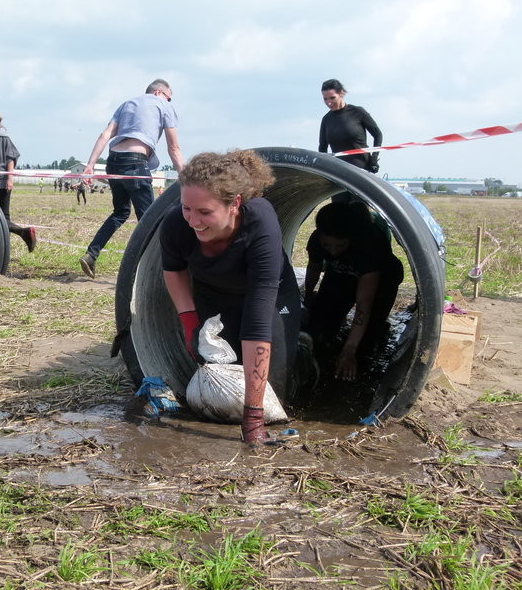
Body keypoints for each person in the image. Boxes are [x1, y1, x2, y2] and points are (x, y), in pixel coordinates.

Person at [159, 150, 302, 445]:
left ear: (234, 204)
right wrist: (189, 323)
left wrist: (253, 419)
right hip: (214, 293)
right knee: (221, 371)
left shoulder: (260, 223)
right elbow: (173, 271)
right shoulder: (176, 223)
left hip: (269, 296)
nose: (193, 220)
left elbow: (258, 323)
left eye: (205, 212)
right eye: (187, 207)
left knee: (273, 390)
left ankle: (306, 355)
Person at [79, 79, 184, 278]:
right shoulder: (163, 106)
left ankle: (91, 254)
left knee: (120, 212)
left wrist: (90, 164)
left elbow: (105, 134)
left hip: (113, 162)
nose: (170, 101)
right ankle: (148, 272)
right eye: (169, 98)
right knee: (149, 219)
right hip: (135, 163)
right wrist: (186, 177)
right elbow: (174, 148)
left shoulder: (127, 104)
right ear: (159, 93)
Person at [303, 202, 404, 382]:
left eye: (340, 246)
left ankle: (361, 363)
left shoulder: (369, 246)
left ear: (351, 238)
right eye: (328, 246)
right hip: (341, 273)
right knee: (320, 320)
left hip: (383, 280)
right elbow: (314, 269)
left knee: (367, 336)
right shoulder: (317, 240)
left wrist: (349, 349)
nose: (333, 251)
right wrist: (309, 295)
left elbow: (364, 304)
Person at [0, 107, 37, 252]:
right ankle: (20, 234)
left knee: (3, 216)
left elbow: (10, 158)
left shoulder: (3, 138)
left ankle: (5, 248)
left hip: (1, 181)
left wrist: (10, 178)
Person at [318, 79, 383, 203]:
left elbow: (378, 135)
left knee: (359, 213)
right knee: (339, 212)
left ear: (341, 94)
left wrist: (374, 159)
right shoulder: (326, 119)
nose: (329, 103)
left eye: (332, 98)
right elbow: (322, 148)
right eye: (325, 99)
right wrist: (324, 171)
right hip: (338, 173)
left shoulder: (357, 112)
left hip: (361, 171)